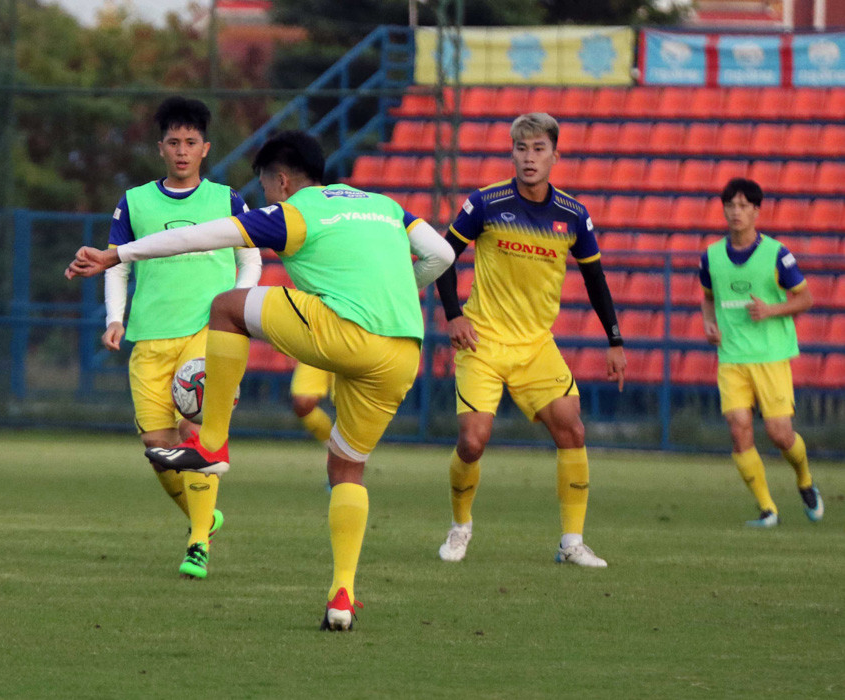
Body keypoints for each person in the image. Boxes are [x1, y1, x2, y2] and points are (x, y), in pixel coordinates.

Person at [66, 130, 454, 630]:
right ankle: (342, 596)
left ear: (283, 180)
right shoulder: (384, 206)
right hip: (402, 350)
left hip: (343, 331)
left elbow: (198, 235)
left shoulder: (293, 212)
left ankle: (213, 443)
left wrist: (118, 255)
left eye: (267, 186)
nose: (266, 197)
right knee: (346, 468)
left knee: (226, 307)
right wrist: (395, 293)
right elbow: (441, 255)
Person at [435, 112, 626, 568]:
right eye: (521, 149)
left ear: (555, 156)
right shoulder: (484, 203)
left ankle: (571, 542)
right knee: (472, 443)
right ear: (512, 153)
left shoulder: (573, 215)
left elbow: (596, 279)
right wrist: (454, 315)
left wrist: (614, 339)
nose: (529, 158)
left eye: (539, 149)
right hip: (482, 342)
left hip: (537, 346)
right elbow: (443, 256)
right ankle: (461, 526)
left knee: (573, 431)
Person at [102, 96, 262, 579]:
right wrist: (115, 318)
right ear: (161, 148)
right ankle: (204, 518)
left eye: (191, 142)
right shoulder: (134, 202)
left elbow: (250, 259)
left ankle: (197, 545)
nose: (182, 150)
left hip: (205, 332)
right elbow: (118, 263)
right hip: (150, 337)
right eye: (173, 142)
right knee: (159, 447)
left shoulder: (228, 200)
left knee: (196, 434)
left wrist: (237, 307)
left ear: (206, 148)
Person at [700, 177, 822, 528]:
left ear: (756, 211)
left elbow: (806, 298)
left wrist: (770, 310)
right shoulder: (711, 257)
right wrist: (710, 323)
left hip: (770, 356)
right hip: (732, 358)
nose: (736, 212)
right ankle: (768, 509)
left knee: (780, 434)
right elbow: (708, 297)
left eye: (743, 206)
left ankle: (804, 479)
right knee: (739, 429)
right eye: (730, 205)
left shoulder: (777, 254)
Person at [290, 361, 335, 443]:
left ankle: (350, 448)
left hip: (350, 352)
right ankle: (332, 444)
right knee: (302, 404)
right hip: (316, 352)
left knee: (350, 406)